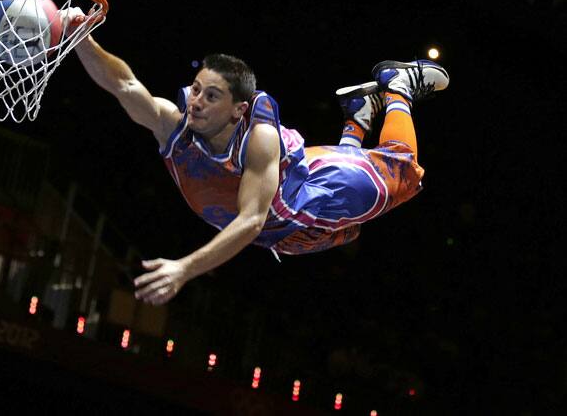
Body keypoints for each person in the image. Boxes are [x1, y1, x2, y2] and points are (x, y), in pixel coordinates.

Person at [71, 31, 448, 306]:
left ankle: (398, 85)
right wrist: (80, 38)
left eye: (212, 96)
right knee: (350, 235)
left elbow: (250, 220)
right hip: (281, 235)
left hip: (316, 195)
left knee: (404, 171)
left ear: (239, 109)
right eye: (197, 89)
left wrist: (184, 269)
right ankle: (358, 117)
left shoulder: (258, 139)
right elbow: (123, 84)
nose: (197, 102)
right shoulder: (175, 126)